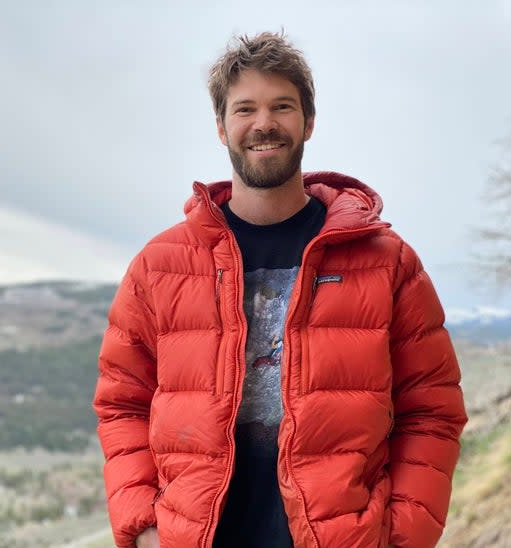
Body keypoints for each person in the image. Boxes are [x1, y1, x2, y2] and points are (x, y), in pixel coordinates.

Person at [93, 31, 466, 548]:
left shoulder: (387, 261)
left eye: (282, 106)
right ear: (221, 127)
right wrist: (145, 528)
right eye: (244, 108)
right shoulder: (161, 265)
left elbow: (432, 409)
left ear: (308, 121)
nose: (263, 123)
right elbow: (122, 404)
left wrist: (402, 536)